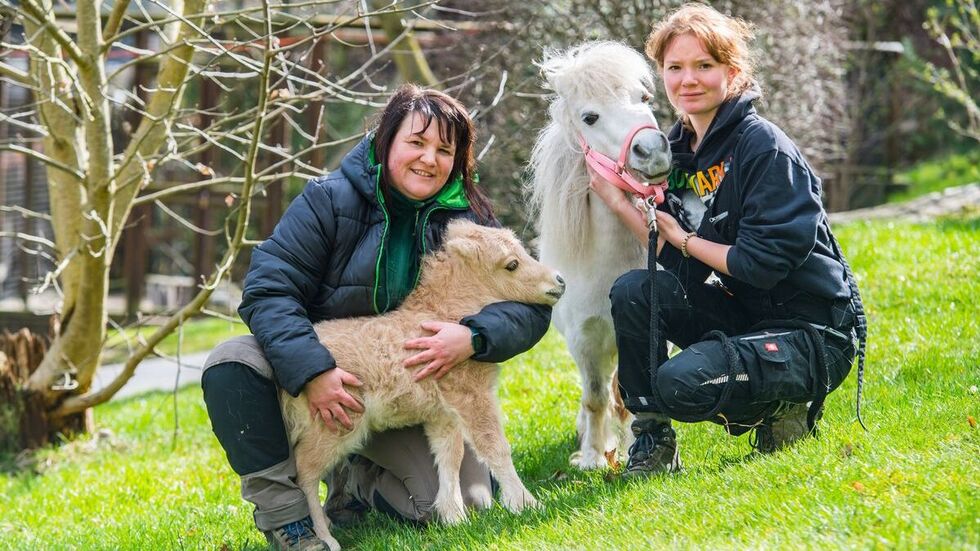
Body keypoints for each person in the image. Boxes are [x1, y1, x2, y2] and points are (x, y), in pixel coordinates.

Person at [201, 84, 552, 550]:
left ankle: (356, 480)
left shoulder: (466, 217)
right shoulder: (328, 200)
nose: (429, 159)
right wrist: (313, 369)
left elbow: (529, 299)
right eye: (416, 142)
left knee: (466, 501)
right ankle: (289, 518)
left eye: (444, 150)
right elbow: (268, 289)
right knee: (232, 362)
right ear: (386, 141)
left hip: (407, 383)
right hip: (322, 362)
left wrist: (474, 336)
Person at [588, 3, 866, 477]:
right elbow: (679, 270)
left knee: (679, 382)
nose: (688, 79)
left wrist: (687, 241)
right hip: (746, 316)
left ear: (732, 73)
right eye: (675, 68)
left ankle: (782, 407)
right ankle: (653, 443)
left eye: (704, 66)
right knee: (636, 290)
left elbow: (761, 263)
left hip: (811, 332)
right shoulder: (679, 156)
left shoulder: (765, 148)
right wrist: (620, 204)